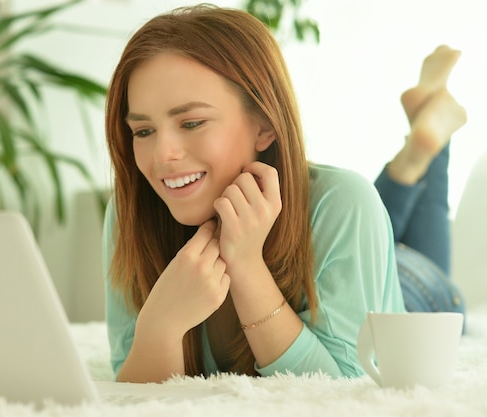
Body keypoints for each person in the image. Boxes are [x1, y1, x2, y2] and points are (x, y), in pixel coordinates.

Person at [102, 5, 467, 383]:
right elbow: (130, 384)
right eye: (143, 131)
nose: (163, 155)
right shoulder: (130, 211)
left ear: (264, 125)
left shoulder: (343, 202)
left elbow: (346, 387)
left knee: (402, 249)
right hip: (355, 248)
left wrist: (246, 265)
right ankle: (423, 137)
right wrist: (161, 326)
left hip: (416, 289)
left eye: (191, 123)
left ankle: (423, 153)